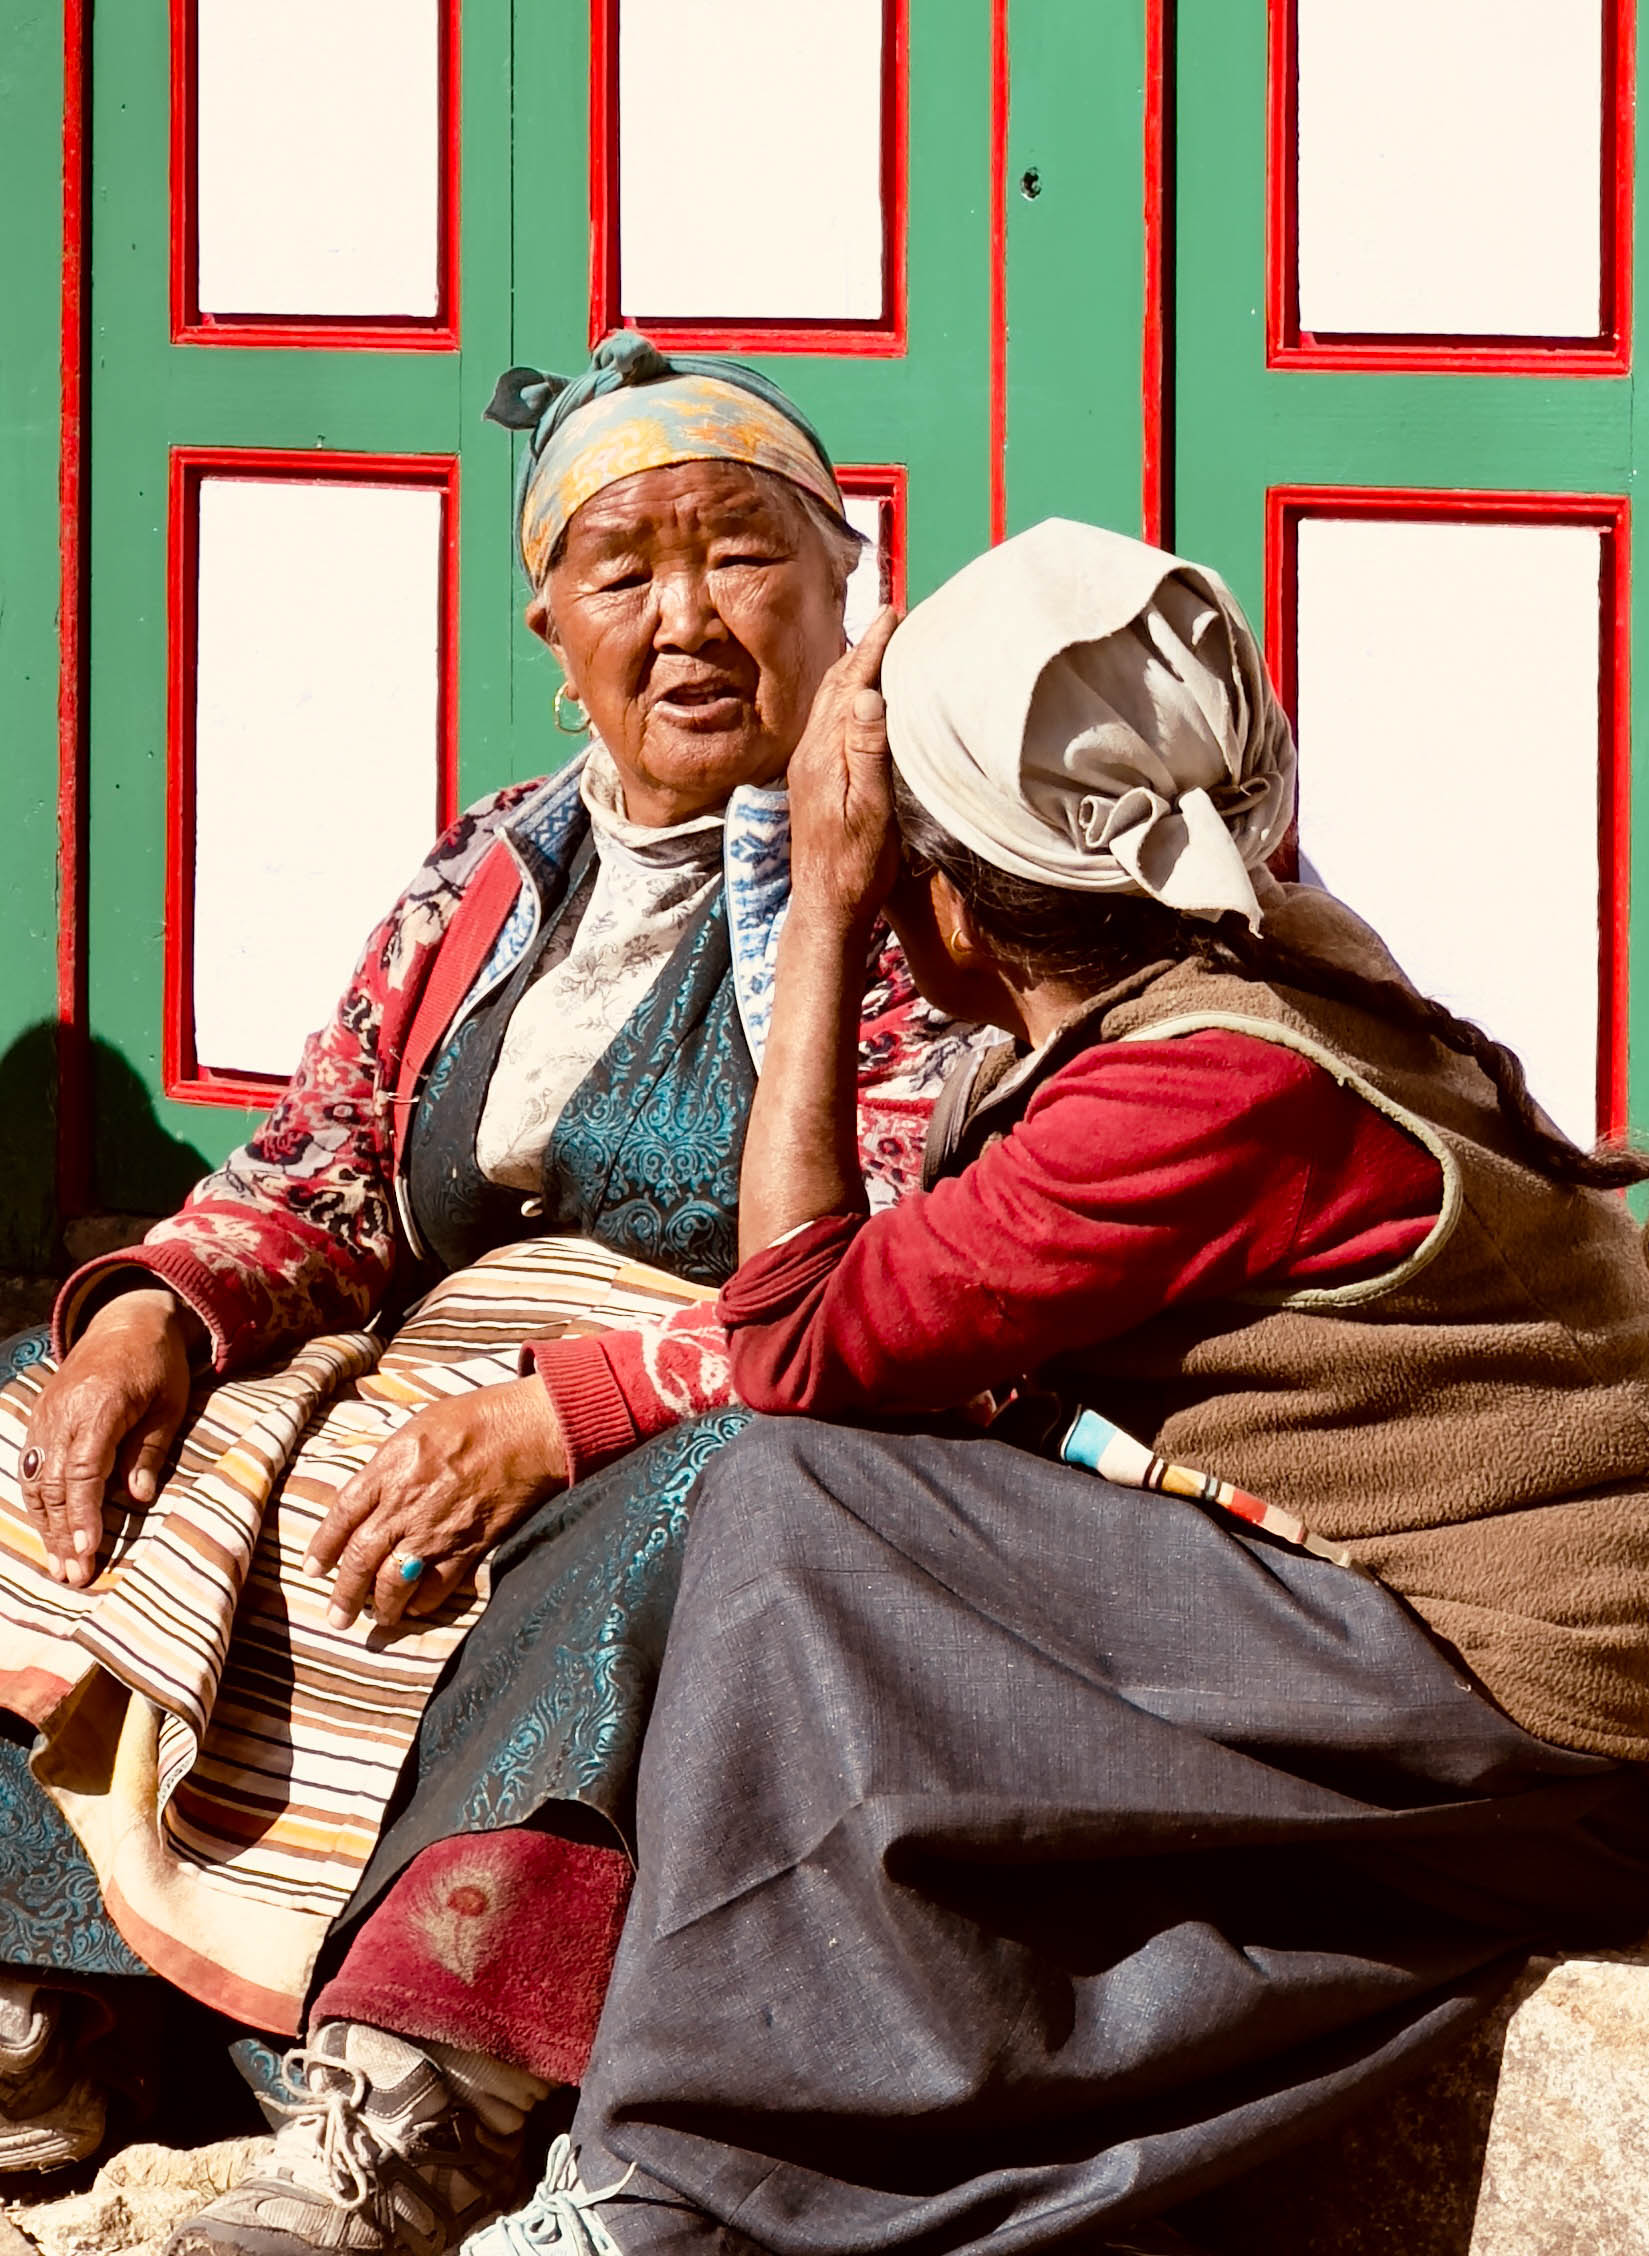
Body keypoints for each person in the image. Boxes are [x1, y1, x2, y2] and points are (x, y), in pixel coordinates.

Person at [491, 519, 1649, 2256]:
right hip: (1505, 1689)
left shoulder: (1196, 1093)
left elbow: (796, 1349)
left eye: (908, 871)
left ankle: (675, 2188)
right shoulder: (1254, 962)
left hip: (1542, 1730)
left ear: (955, 901)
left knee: (783, 1497)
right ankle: (755, 2145)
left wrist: (818, 915)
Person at [0, 334, 973, 2252]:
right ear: (552, 619)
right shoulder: (497, 870)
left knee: (681, 1524)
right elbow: (328, 1170)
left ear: (847, 578)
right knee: (34, 1420)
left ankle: (416, 2109)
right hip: (432, 1360)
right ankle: (56, 2035)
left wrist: (570, 1410)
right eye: (628, 570)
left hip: (742, 1391)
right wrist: (157, 1315)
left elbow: (911, 1266)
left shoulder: (936, 880)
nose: (688, 617)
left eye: (744, 556)